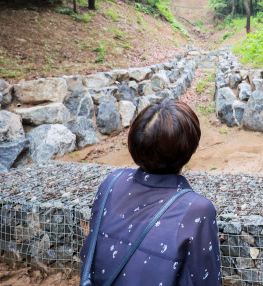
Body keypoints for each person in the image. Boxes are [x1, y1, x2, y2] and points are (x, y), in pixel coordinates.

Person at [80, 100, 221, 286]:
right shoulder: (196, 209)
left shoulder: (112, 182)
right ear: (190, 148)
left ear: (135, 142)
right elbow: (204, 278)